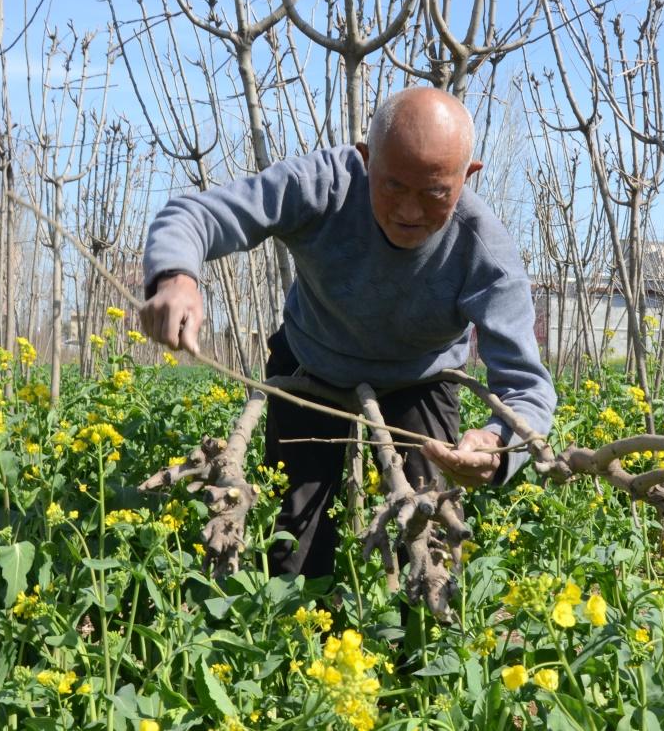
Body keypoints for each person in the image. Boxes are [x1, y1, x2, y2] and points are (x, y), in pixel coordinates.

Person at [140, 87, 556, 579]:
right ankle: (298, 632)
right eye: (393, 186)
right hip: (310, 361)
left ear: (467, 177)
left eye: (435, 192)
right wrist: (176, 276)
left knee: (424, 540)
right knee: (294, 537)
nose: (409, 210)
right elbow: (197, 215)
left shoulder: (484, 250)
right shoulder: (323, 184)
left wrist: (496, 444)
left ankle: (414, 650)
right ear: (364, 159)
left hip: (419, 380)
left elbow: (527, 388)